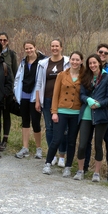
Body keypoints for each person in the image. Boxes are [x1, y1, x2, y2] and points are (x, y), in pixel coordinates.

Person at [42, 51, 84, 177]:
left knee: (71, 141)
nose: (75, 62)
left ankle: (68, 166)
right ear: (69, 60)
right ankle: (48, 163)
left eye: (77, 60)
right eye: (73, 59)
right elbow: (55, 94)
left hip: (76, 112)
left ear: (81, 61)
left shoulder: (84, 76)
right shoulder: (61, 75)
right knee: (57, 138)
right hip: (62, 111)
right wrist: (54, 112)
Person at [74, 54, 108, 182]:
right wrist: (89, 100)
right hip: (86, 114)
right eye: (90, 63)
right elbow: (82, 95)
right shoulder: (86, 76)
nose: (92, 65)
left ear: (99, 63)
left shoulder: (107, 78)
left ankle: (96, 173)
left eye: (94, 63)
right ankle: (80, 170)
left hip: (101, 115)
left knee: (98, 144)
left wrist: (100, 104)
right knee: (83, 144)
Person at [84, 43, 108, 181]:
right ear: (97, 52)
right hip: (91, 110)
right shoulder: (90, 69)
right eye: (100, 52)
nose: (103, 54)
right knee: (88, 140)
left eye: (106, 53)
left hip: (107, 112)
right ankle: (84, 166)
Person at [35, 39, 69, 167]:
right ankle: (52, 155)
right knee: (49, 128)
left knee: (63, 129)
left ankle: (62, 156)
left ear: (61, 47)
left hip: (63, 101)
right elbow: (38, 83)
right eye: (52, 46)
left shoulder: (67, 62)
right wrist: (37, 100)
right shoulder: (43, 63)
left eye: (57, 46)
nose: (54, 48)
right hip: (47, 99)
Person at [14, 40, 46, 159]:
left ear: (35, 48)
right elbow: (18, 77)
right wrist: (16, 91)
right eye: (26, 49)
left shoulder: (42, 62)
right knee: (25, 122)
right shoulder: (23, 62)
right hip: (23, 96)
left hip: (35, 96)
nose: (29, 50)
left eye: (31, 48)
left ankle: (39, 149)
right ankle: (25, 148)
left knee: (36, 123)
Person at [0, 32, 18, 151]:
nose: (2, 42)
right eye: (0, 40)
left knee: (6, 115)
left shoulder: (12, 55)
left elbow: (16, 73)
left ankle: (5, 139)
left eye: (4, 40)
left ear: (8, 41)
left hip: (8, 90)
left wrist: (14, 91)